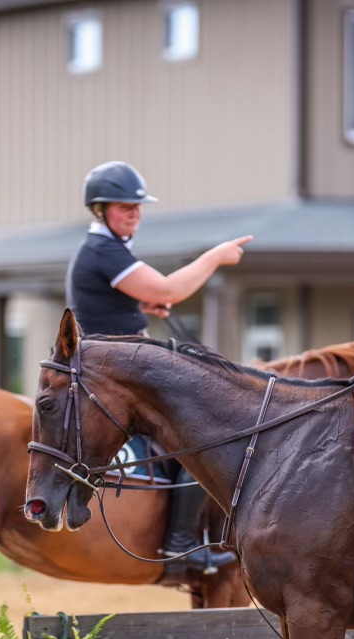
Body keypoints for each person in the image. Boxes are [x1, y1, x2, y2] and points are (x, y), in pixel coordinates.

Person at [66, 160, 252, 572]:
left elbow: (111, 300)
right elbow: (170, 287)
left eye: (137, 207)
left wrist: (140, 304)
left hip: (118, 359)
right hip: (115, 368)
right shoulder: (104, 251)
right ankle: (181, 542)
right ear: (100, 211)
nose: (134, 214)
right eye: (123, 207)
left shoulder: (108, 251)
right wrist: (215, 257)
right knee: (198, 431)